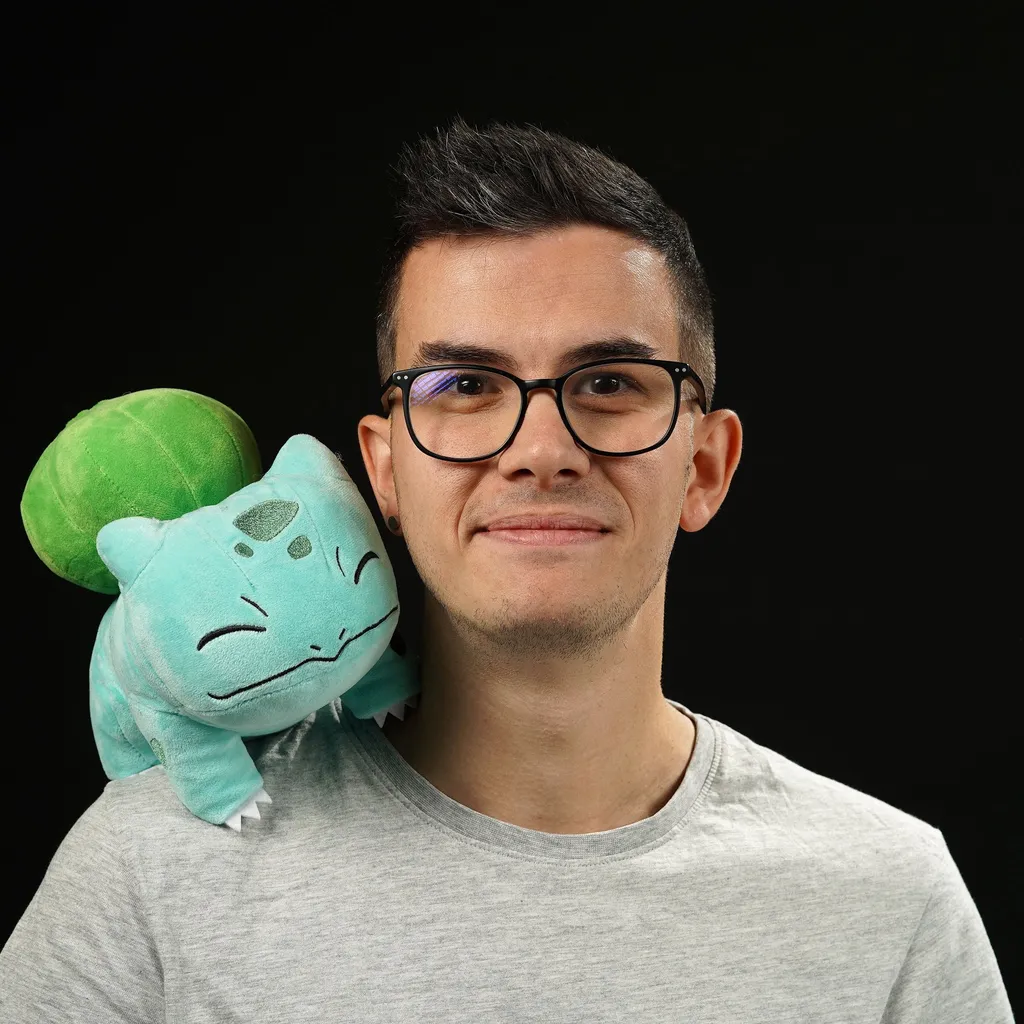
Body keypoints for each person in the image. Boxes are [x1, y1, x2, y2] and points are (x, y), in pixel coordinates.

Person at [1, 118, 1012, 1022]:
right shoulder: (150, 869)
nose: (539, 447)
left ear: (705, 466)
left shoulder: (889, 904)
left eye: (609, 382)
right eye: (465, 384)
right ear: (383, 469)